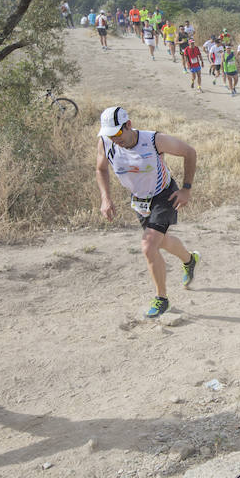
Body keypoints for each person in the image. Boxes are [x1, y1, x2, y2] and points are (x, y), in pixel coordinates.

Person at [95, 106, 200, 319]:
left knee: (148, 246)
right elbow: (101, 169)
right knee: (159, 242)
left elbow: (189, 152)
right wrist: (105, 198)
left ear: (129, 125)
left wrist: (186, 190)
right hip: (140, 200)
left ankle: (162, 299)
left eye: (117, 133)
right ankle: (190, 260)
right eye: (109, 135)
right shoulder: (106, 143)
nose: (114, 139)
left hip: (164, 195)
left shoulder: (153, 140)